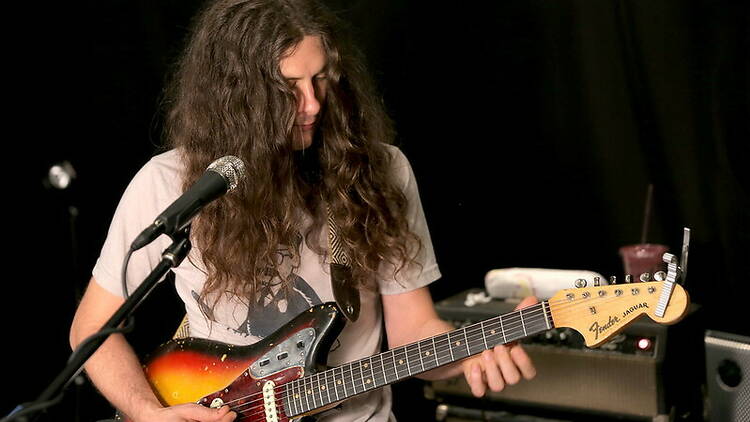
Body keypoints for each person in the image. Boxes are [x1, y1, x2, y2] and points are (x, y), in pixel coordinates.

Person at [69, 1, 537, 421]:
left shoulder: (380, 172)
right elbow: (91, 328)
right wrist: (146, 412)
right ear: (237, 95)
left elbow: (412, 331)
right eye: (288, 87)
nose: (312, 104)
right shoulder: (171, 182)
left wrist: (471, 352)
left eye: (320, 79)